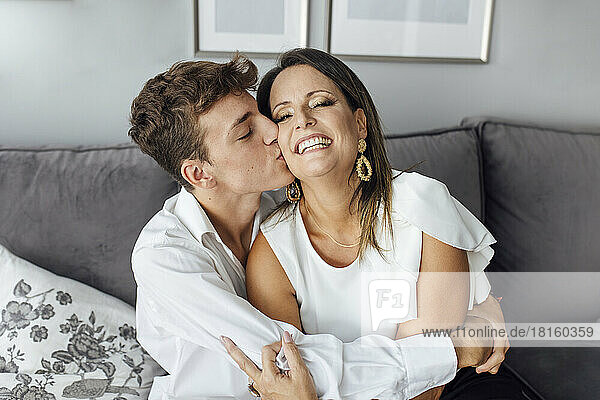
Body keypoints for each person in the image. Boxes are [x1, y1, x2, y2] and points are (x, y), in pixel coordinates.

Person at [128, 53, 503, 400]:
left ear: (360, 123)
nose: (276, 131)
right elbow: (289, 364)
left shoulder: (281, 201)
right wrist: (452, 350)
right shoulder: (165, 256)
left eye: (262, 115)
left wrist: (482, 304)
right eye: (246, 133)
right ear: (199, 173)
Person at [244, 48, 524, 399]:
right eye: (283, 115)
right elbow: (296, 379)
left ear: (359, 123)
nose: (302, 120)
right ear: (278, 144)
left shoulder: (422, 203)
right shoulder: (272, 250)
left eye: (320, 103)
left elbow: (430, 369)